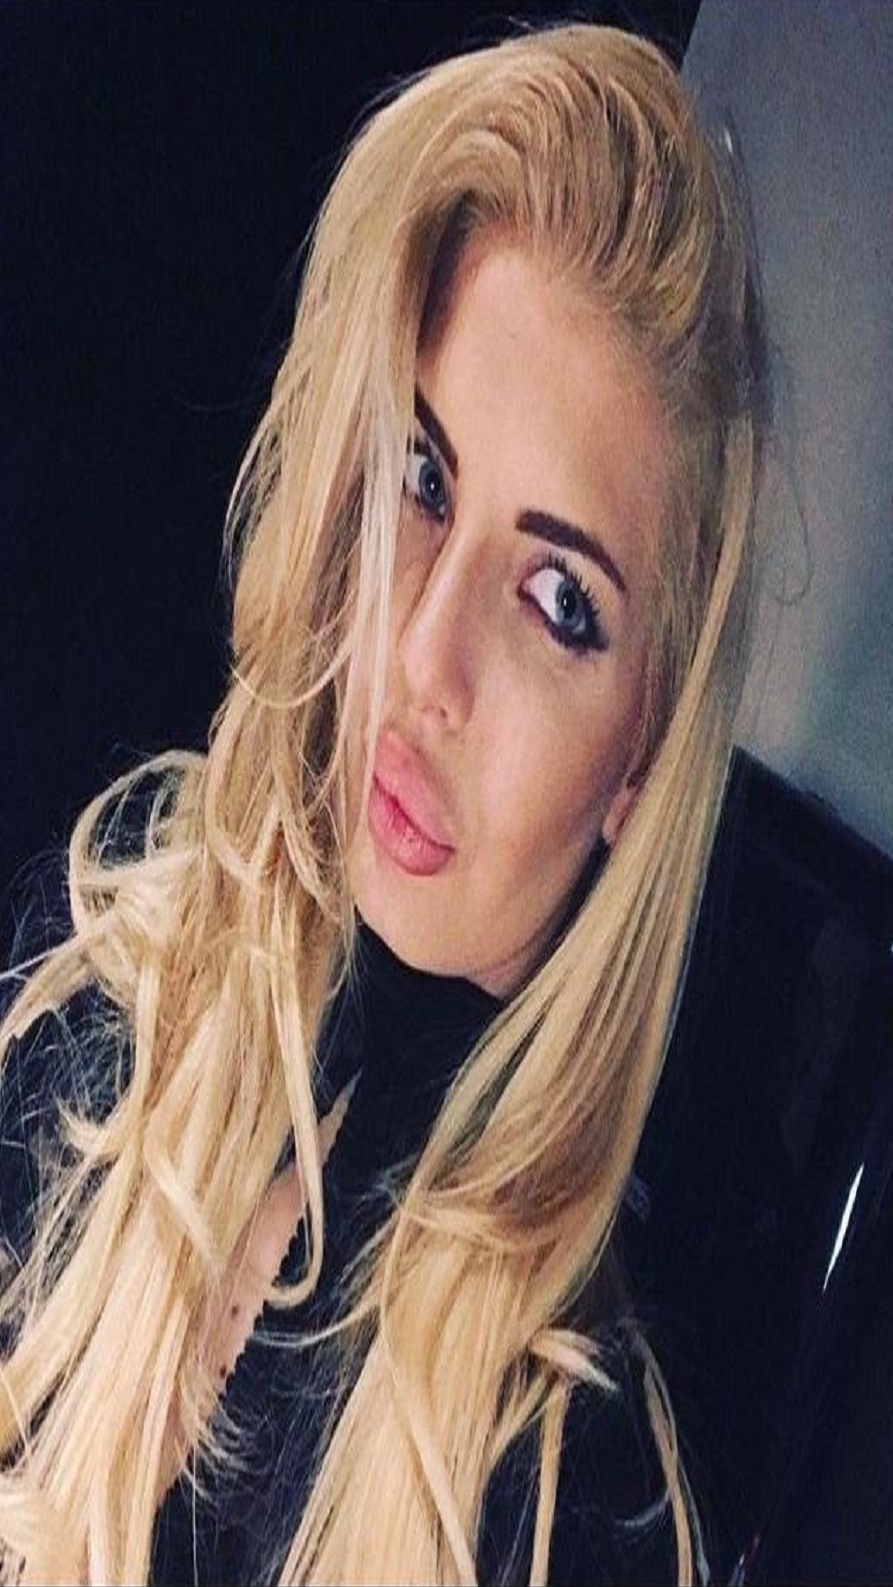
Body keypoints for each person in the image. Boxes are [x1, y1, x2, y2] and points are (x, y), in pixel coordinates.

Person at [0, 22, 769, 1585]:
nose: (421, 655)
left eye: (557, 602)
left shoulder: (574, 1492)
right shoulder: (97, 994)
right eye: (423, 476)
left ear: (638, 763)